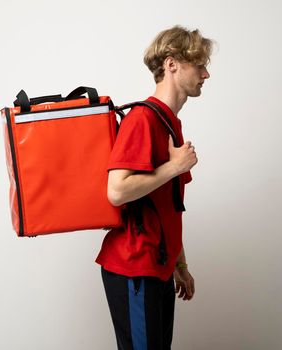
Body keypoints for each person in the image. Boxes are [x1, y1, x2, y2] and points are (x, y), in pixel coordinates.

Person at [96, 25, 214, 349]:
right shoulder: (142, 120)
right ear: (172, 64)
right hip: (134, 267)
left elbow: (168, 205)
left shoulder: (170, 122)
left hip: (158, 266)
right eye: (199, 64)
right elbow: (116, 190)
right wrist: (175, 166)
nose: (206, 74)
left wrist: (180, 263)